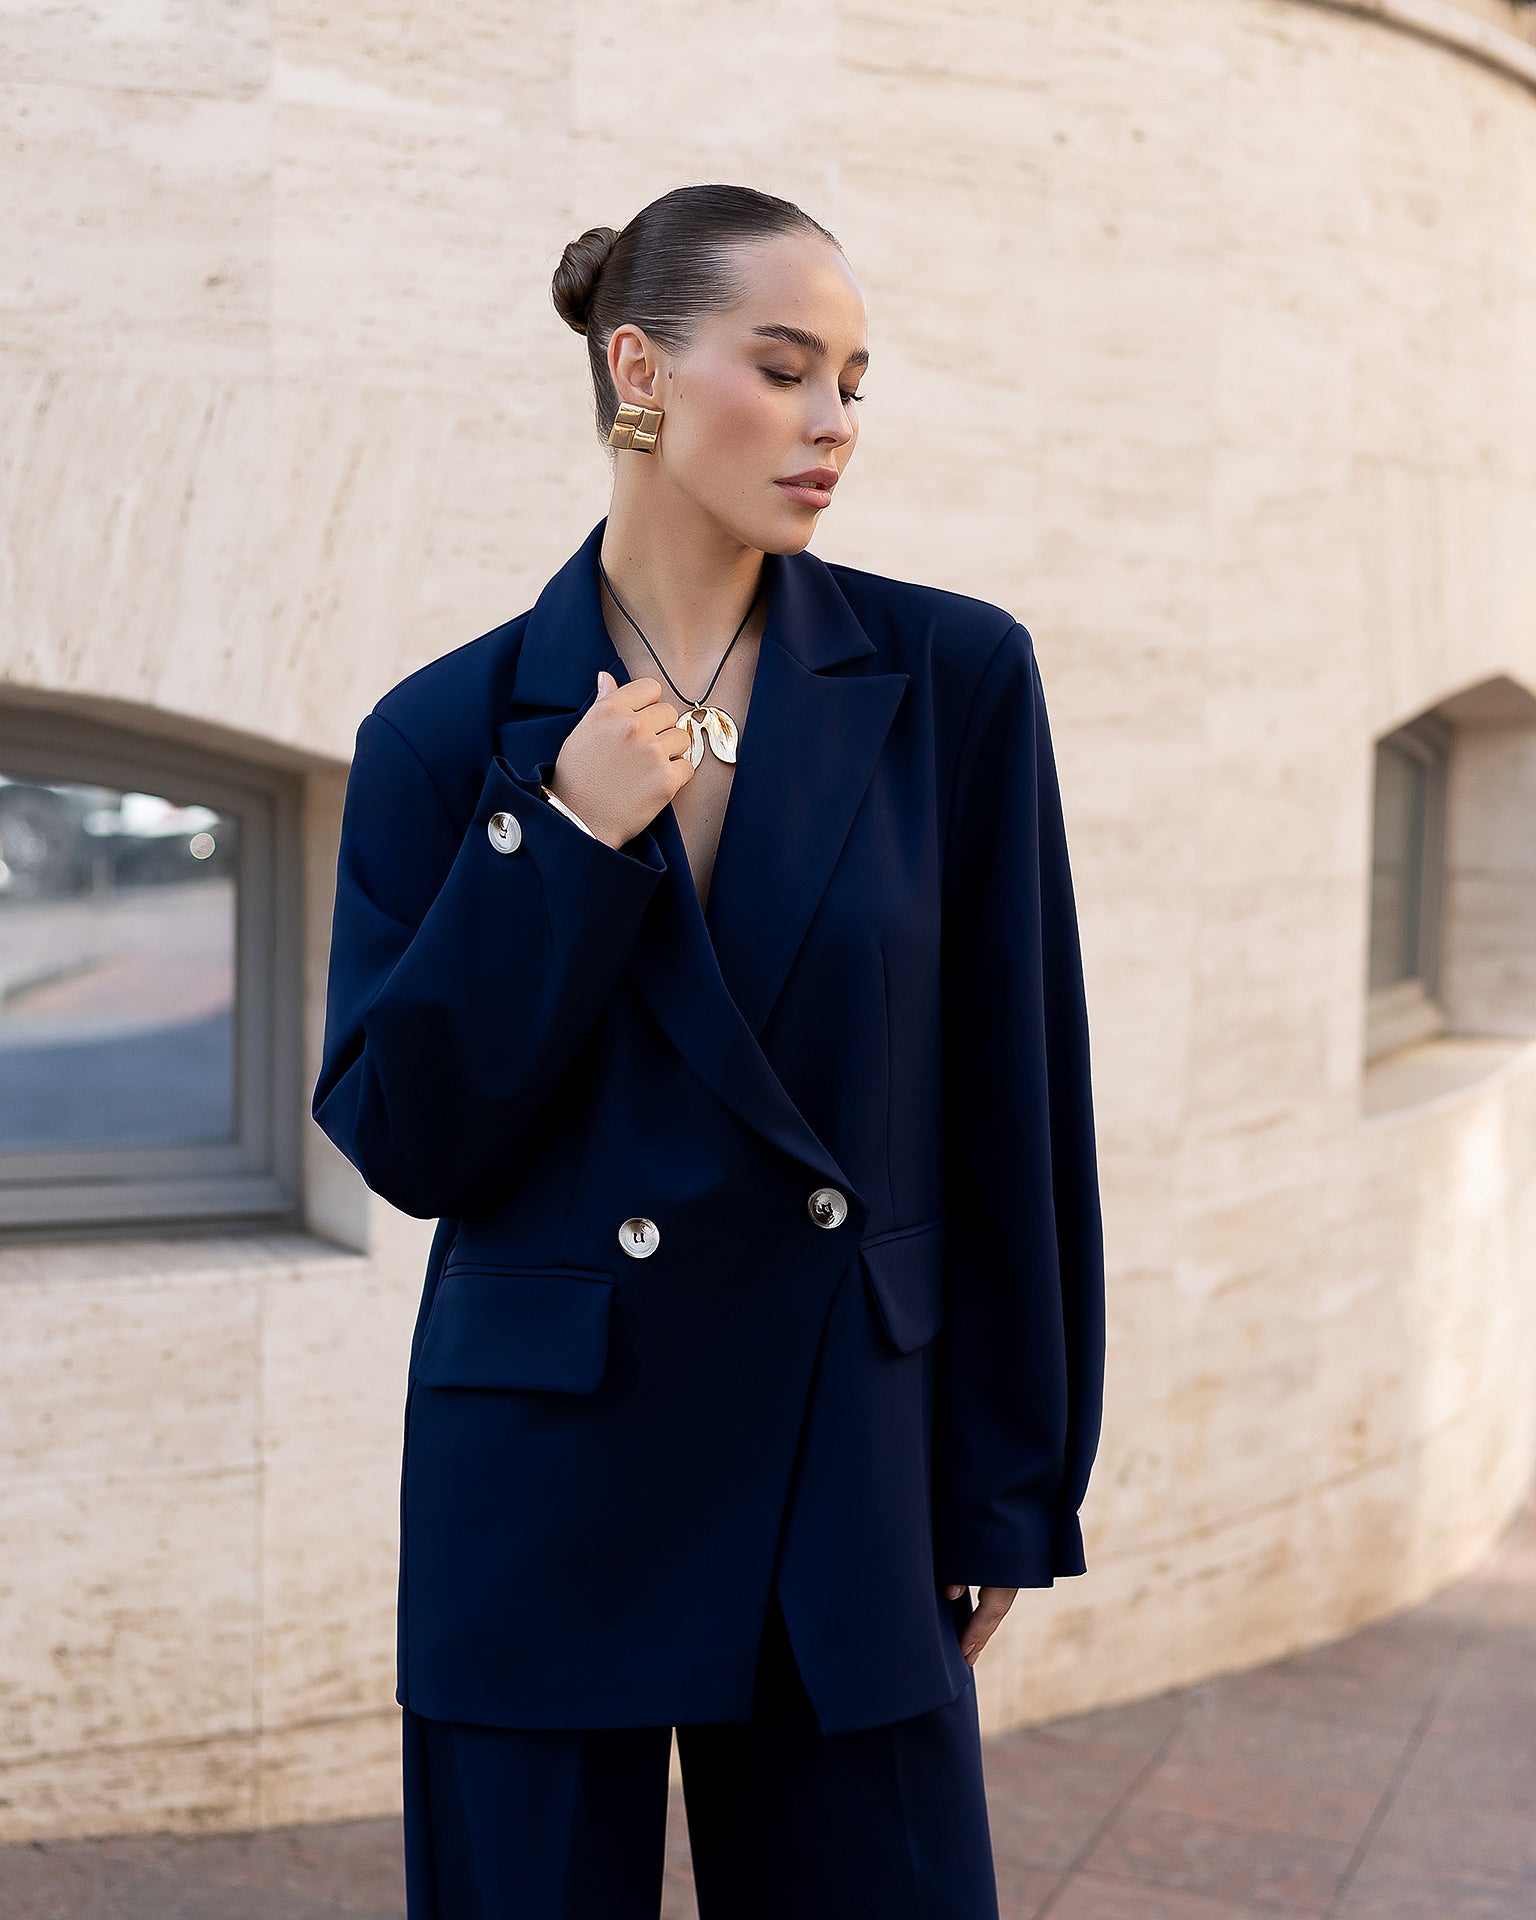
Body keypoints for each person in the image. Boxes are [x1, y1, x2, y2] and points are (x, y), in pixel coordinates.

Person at [312, 181, 1105, 1920]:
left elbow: (1019, 1102)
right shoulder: (446, 733)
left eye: (856, 383)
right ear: (641, 372)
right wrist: (562, 844)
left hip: (852, 1462)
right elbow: (406, 1139)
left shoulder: (952, 679)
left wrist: (1010, 1478)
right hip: (545, 1471)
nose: (835, 425)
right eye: (787, 367)